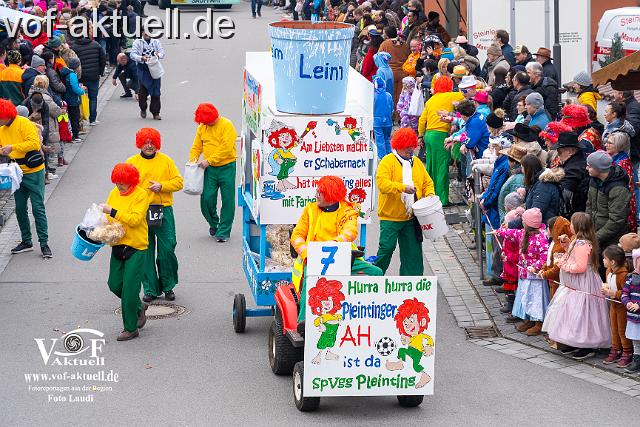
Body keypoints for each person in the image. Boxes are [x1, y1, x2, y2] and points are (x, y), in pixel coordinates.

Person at [291, 176, 383, 324]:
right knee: (309, 280)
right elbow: (297, 235)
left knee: (376, 272)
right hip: (314, 260)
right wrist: (307, 253)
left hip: (344, 258)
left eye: (319, 193)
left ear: (330, 196)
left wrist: (333, 245)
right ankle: (304, 322)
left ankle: (373, 316)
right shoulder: (310, 210)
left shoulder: (348, 211)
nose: (316, 195)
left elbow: (350, 232)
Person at [127, 128, 183, 303]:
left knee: (167, 248)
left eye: (152, 142)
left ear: (157, 143)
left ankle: (168, 285)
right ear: (140, 144)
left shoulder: (166, 161)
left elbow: (179, 182)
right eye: (145, 142)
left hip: (163, 209)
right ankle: (150, 288)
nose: (149, 145)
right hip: (141, 211)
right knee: (145, 249)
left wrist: (162, 185)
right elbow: (125, 187)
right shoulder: (132, 162)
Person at [543, 212, 610, 360]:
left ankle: (587, 344)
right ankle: (575, 340)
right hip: (574, 285)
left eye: (572, 223)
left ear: (578, 226)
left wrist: (562, 264)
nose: (570, 226)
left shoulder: (582, 244)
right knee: (573, 312)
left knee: (583, 312)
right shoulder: (576, 241)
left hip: (582, 285)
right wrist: (566, 245)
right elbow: (574, 256)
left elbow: (580, 267)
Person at [99, 163, 150, 341]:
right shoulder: (114, 193)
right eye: (117, 182)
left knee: (129, 290)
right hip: (118, 244)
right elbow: (107, 216)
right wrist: (101, 222)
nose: (119, 186)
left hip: (136, 247)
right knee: (114, 284)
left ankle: (130, 328)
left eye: (123, 182)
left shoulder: (141, 195)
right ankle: (138, 306)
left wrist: (112, 211)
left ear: (132, 181)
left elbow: (135, 220)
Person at [375, 128, 435, 275]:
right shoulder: (387, 162)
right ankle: (373, 278)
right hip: (390, 217)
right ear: (398, 146)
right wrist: (402, 188)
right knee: (386, 250)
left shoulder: (417, 163)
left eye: (412, 147)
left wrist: (430, 194)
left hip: (411, 218)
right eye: (406, 147)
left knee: (412, 253)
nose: (410, 150)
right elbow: (382, 184)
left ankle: (412, 285)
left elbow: (427, 182)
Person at [0, 99, 52, 258]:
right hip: (16, 172)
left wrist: (12, 148)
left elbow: (34, 144)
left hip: (34, 171)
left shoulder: (24, 123)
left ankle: (44, 243)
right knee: (20, 208)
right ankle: (26, 241)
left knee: (38, 208)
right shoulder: (2, 129)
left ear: (6, 114)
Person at [497, 207, 550, 336]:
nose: (522, 223)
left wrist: (536, 267)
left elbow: (545, 255)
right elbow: (512, 233)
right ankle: (529, 319)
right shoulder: (523, 233)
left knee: (536, 299)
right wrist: (500, 231)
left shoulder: (541, 237)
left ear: (528, 223)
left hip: (535, 276)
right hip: (524, 274)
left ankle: (539, 322)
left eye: (524, 221)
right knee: (526, 297)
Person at [189, 103, 237, 242]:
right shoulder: (202, 127)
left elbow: (226, 148)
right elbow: (196, 147)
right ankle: (214, 223)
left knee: (228, 200)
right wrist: (192, 161)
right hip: (209, 169)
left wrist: (209, 160)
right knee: (206, 199)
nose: (207, 124)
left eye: (209, 122)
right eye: (205, 123)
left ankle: (224, 231)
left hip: (227, 167)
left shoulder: (226, 125)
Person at [417, 75, 464, 204]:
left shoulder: (430, 100)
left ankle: (429, 195)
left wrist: (420, 136)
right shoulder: (451, 96)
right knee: (442, 166)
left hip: (429, 135)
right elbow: (467, 94)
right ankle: (442, 199)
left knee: (431, 166)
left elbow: (422, 120)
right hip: (440, 134)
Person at [585, 150, 631, 255]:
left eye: (589, 166)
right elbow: (589, 206)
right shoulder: (594, 180)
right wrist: (587, 229)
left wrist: (595, 237)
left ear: (599, 169)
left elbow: (616, 220)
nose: (586, 168)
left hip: (612, 241)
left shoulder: (618, 188)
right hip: (595, 235)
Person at [507, 154, 561, 229]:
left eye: (522, 167)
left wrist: (510, 225)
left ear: (528, 169)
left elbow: (534, 214)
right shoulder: (537, 183)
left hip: (544, 229)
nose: (521, 170)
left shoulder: (543, 186)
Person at [601, 245, 633, 368]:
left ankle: (627, 352)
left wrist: (613, 293)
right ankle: (616, 349)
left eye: (605, 258)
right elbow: (610, 284)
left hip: (622, 307)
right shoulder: (609, 271)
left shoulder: (623, 275)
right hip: (613, 305)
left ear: (612, 262)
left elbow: (626, 292)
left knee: (622, 329)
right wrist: (606, 287)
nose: (603, 260)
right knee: (613, 328)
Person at [70, 28, 106, 126]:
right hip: (94, 75)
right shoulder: (96, 45)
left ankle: (82, 118)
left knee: (80, 97)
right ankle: (92, 119)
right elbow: (103, 58)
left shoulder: (73, 47)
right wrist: (101, 71)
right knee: (93, 97)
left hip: (80, 76)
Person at [605, 131, 637, 233]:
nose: (606, 145)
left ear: (619, 146)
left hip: (621, 204)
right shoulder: (613, 159)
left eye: (610, 143)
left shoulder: (622, 163)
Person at [551, 131, 588, 217]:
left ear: (570, 152)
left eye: (559, 152)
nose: (558, 156)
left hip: (576, 213)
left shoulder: (573, 169)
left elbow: (565, 194)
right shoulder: (578, 160)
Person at [130, 32, 164, 120]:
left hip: (154, 68)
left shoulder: (156, 41)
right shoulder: (137, 42)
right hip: (143, 69)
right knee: (143, 91)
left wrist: (158, 55)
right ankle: (143, 108)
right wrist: (141, 57)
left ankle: (155, 112)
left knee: (156, 90)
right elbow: (132, 55)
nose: (147, 34)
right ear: (143, 32)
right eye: (145, 32)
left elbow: (162, 53)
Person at [621, 249, 640, 372]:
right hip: (633, 316)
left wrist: (639, 304)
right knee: (636, 340)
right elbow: (624, 294)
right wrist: (627, 302)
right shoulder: (631, 278)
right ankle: (637, 359)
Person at [59, 57, 84, 143]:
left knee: (70, 117)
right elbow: (75, 88)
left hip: (67, 97)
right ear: (77, 66)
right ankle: (76, 135)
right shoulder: (72, 75)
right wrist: (82, 91)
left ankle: (72, 133)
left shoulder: (66, 73)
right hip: (73, 99)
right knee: (75, 117)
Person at [373, 76, 394, 159]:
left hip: (377, 122)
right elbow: (392, 109)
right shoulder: (388, 95)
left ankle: (382, 157)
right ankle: (389, 155)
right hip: (388, 121)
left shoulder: (373, 96)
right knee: (387, 139)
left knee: (379, 140)